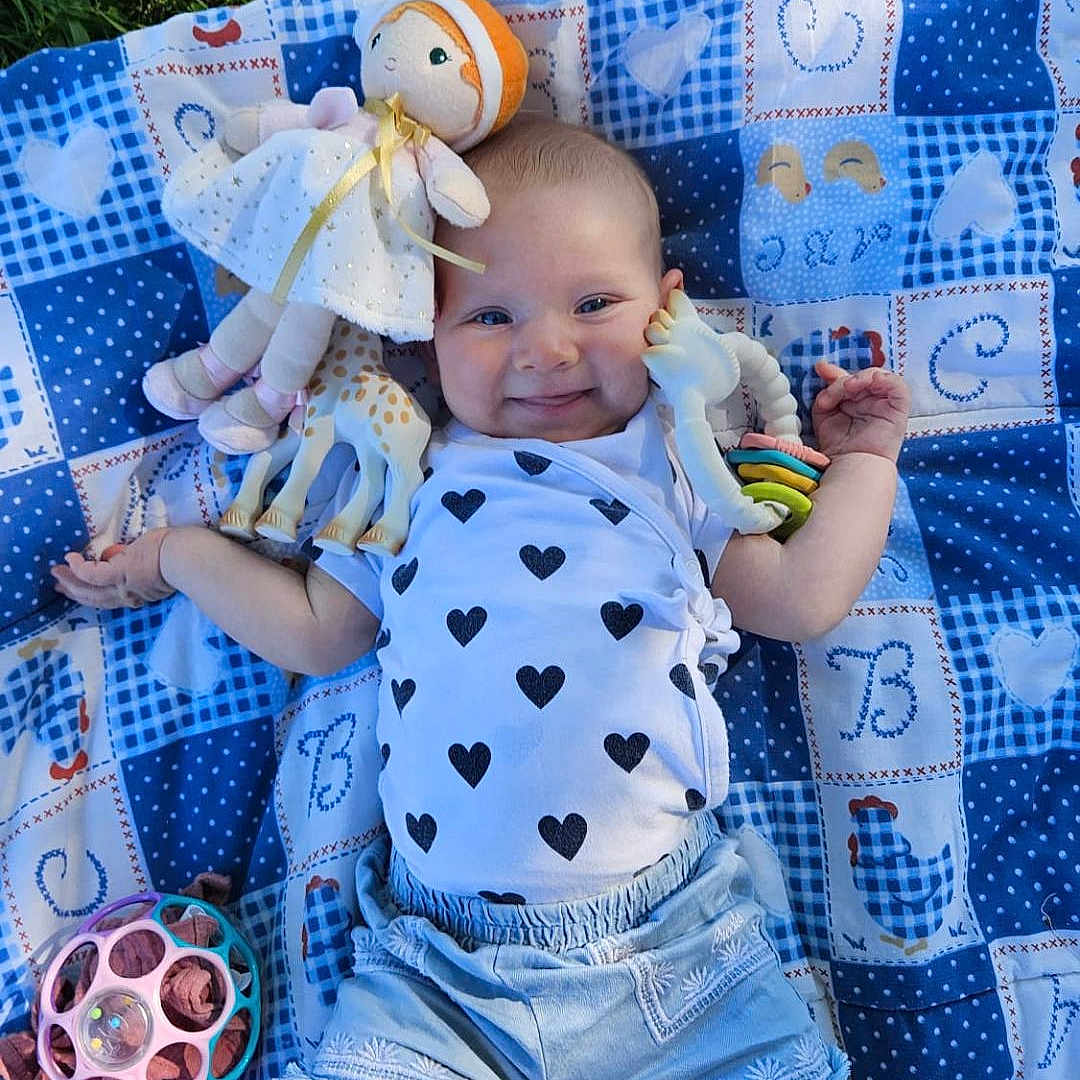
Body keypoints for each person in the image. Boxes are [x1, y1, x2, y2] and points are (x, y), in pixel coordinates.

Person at [52, 118, 910, 1079]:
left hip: (670, 950)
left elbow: (798, 599)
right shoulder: (403, 476)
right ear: (428, 331)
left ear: (670, 313)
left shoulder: (676, 470)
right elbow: (316, 633)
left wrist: (866, 464)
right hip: (437, 972)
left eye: (591, 304)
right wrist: (178, 557)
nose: (544, 351)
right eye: (491, 318)